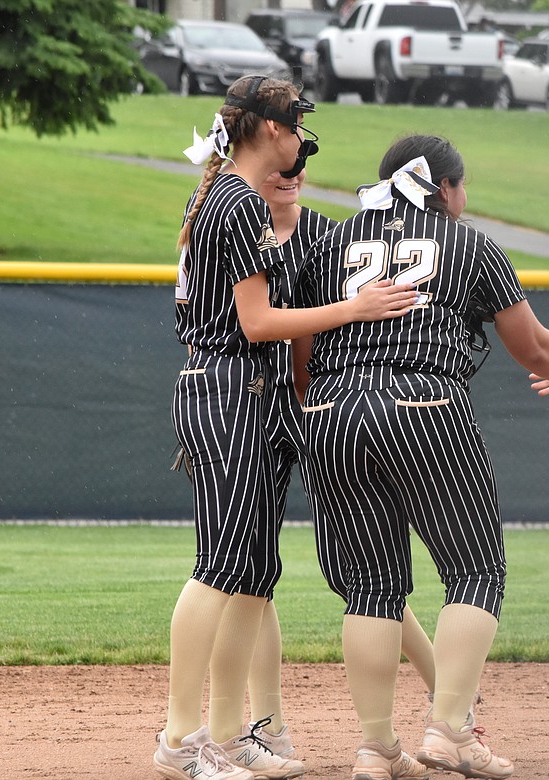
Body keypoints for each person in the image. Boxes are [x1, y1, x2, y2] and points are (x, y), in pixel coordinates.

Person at [291, 134, 549, 780]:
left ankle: (373, 749)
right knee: (476, 571)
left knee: (370, 588)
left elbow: (302, 351)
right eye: (461, 186)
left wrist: (333, 405)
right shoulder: (469, 244)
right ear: (443, 188)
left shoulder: (330, 242)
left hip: (330, 409)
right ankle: (448, 731)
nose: (463, 198)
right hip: (424, 401)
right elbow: (531, 348)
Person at [156, 74, 419, 780]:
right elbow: (257, 323)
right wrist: (354, 309)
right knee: (220, 567)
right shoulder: (238, 201)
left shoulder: (222, 191)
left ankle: (227, 734)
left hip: (244, 387)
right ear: (271, 129)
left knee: (250, 570)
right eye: (297, 124)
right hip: (230, 386)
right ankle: (180, 743)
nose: (302, 137)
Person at [215, 167, 439, 764]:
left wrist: (316, 396)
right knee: (249, 572)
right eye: (280, 170)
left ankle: (451, 702)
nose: (291, 178)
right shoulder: (235, 225)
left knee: (368, 571)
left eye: (298, 170)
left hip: (315, 402)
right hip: (251, 402)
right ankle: (268, 727)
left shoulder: (326, 234)